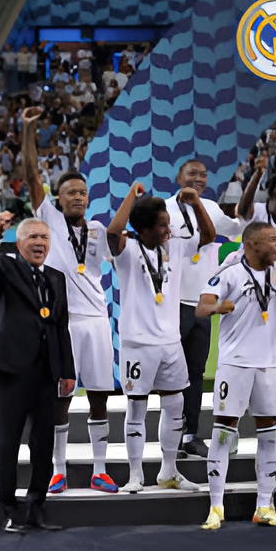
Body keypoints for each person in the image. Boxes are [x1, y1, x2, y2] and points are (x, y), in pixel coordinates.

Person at [21, 106, 118, 495]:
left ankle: (99, 469)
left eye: (82, 192)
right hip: (62, 325)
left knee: (98, 398)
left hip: (95, 321)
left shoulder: (97, 229)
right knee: (61, 398)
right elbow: (30, 175)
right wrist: (29, 132)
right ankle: (58, 469)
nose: (77, 196)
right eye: (70, 193)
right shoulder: (48, 220)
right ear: (57, 200)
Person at [197, 222, 276, 530]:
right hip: (235, 365)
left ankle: (265, 505)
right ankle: (216, 507)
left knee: (269, 433)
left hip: (271, 366)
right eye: (272, 240)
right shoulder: (230, 273)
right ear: (250, 244)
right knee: (223, 431)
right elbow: (202, 307)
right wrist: (219, 307)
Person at [107, 182, 213, 493]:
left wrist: (196, 204)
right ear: (144, 228)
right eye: (163, 225)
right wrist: (131, 196)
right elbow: (113, 234)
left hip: (170, 342)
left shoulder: (176, 247)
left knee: (175, 405)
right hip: (138, 343)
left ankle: (169, 471)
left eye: (169, 223)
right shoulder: (126, 251)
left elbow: (207, 236)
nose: (169, 230)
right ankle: (135, 474)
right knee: (137, 407)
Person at [0, 211, 76, 533]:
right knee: (8, 442)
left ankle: (36, 506)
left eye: (44, 237)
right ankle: (9, 509)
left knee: (43, 442)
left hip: (46, 373)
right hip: (11, 370)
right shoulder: (5, 267)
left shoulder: (57, 278)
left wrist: (67, 370)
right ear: (19, 243)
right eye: (32, 237)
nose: (39, 242)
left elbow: (62, 326)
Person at [166, 159, 243, 458]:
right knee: (170, 375)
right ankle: (168, 435)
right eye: (191, 174)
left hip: (202, 305)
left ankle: (191, 434)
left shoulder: (211, 207)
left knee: (195, 372)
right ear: (178, 177)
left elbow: (238, 230)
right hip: (172, 304)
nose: (198, 179)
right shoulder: (164, 209)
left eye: (203, 175)